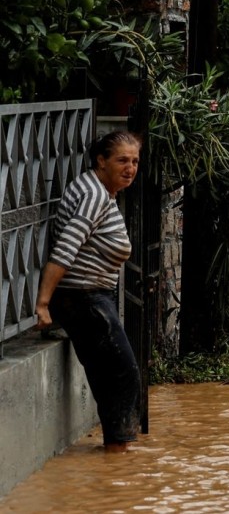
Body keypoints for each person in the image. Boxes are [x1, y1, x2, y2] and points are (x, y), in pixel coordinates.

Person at [35, 130, 142, 453]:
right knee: (123, 375)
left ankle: (112, 459)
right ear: (101, 160)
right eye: (122, 160)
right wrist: (43, 303)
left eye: (135, 161)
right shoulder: (94, 195)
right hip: (83, 297)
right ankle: (117, 457)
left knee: (107, 374)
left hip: (91, 297)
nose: (130, 168)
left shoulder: (99, 190)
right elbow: (66, 247)